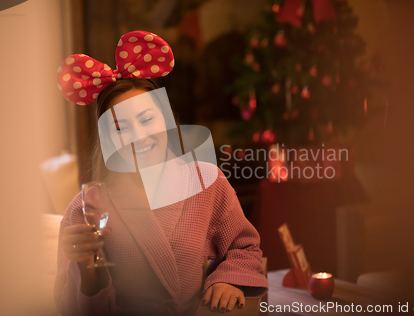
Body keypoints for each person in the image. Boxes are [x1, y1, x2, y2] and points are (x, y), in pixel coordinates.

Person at [54, 31, 268, 316]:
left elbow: (245, 247)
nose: (138, 137)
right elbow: (74, 307)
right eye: (121, 128)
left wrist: (227, 280)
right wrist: (85, 268)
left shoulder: (206, 182)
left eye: (146, 119)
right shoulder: (87, 207)